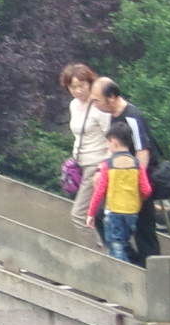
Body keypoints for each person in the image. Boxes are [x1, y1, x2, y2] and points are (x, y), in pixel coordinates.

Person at [91, 77, 159, 263]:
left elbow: (142, 153)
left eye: (96, 99)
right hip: (119, 184)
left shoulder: (132, 116)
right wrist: (101, 170)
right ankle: (131, 262)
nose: (94, 104)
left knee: (145, 230)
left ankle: (152, 274)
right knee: (101, 218)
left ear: (111, 97)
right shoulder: (113, 116)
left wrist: (138, 186)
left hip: (137, 182)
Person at [84, 119, 153, 265]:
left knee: (116, 247)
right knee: (124, 243)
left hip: (114, 212)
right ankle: (133, 268)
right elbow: (146, 190)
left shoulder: (108, 165)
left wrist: (91, 213)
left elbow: (99, 191)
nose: (107, 145)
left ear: (114, 142)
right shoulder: (137, 165)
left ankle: (124, 277)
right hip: (132, 214)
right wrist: (137, 200)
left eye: (108, 142)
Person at [60, 62, 111, 231]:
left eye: (81, 86)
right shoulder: (74, 105)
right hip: (79, 164)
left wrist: (103, 167)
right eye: (72, 87)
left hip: (96, 164)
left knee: (79, 214)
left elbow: (112, 138)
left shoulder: (99, 106)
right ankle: (104, 250)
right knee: (96, 214)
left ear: (90, 83)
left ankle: (91, 254)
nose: (77, 91)